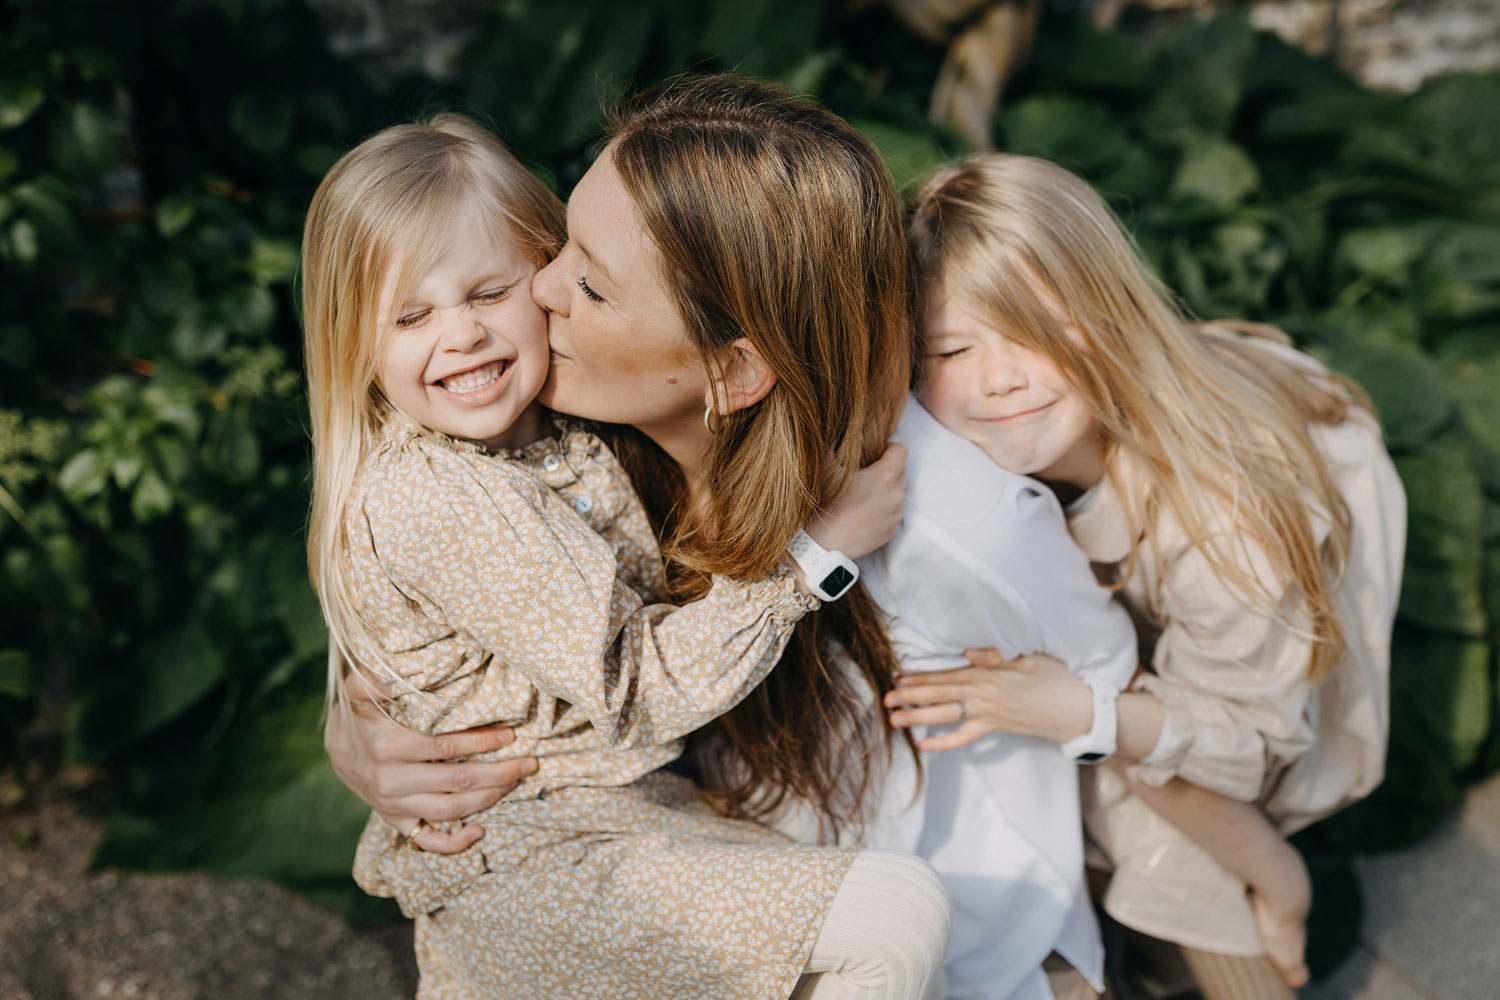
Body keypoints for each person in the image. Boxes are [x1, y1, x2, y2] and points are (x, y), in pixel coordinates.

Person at [301, 104, 950, 1000]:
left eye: (493, 292)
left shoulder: (567, 436)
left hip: (623, 831)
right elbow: (633, 687)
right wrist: (812, 559)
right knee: (895, 916)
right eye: (409, 316)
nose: (463, 334)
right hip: (542, 856)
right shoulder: (441, 491)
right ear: (353, 341)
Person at [884, 153, 1405, 1000]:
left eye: (1035, 334)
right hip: (1173, 661)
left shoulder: (1221, 515)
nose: (999, 377)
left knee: (1169, 840)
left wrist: (1083, 712)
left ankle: (1280, 894)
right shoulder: (987, 452)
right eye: (951, 347)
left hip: (1262, 706)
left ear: (1107, 313)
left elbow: (1247, 743)